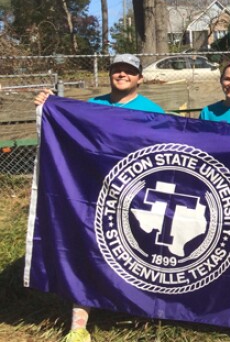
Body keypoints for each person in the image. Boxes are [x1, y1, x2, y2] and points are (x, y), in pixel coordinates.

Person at [35, 54, 164, 342]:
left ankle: (140, 311)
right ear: (109, 74)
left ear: (140, 78)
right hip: (94, 194)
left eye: (129, 71)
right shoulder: (92, 107)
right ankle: (78, 325)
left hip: (135, 197)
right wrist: (50, 105)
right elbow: (67, 131)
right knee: (88, 251)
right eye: (117, 70)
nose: (122, 75)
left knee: (135, 253)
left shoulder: (153, 112)